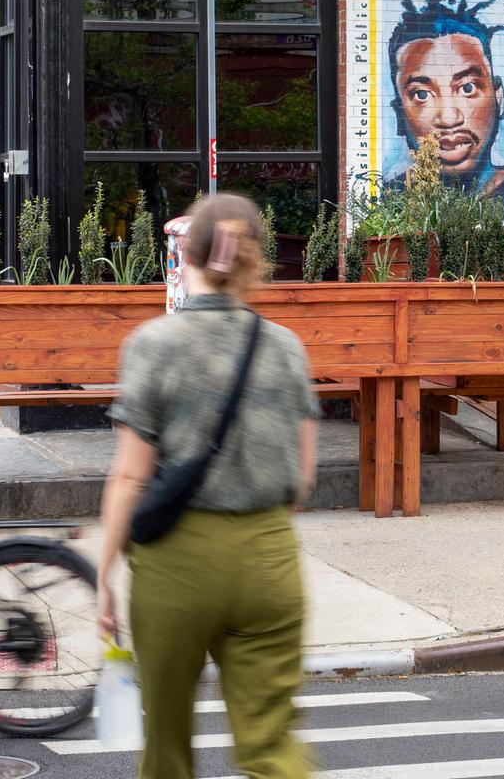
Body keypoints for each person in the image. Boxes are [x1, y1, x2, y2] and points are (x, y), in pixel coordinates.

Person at [99, 193, 319, 779]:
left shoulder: (153, 345)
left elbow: (129, 476)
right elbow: (302, 479)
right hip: (269, 556)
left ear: (183, 255)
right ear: (257, 259)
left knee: (167, 746)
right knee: (271, 746)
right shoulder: (285, 348)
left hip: (178, 563)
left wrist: (103, 575)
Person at [382, 0, 504, 218]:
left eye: (467, 88)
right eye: (422, 94)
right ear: (400, 115)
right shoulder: (386, 205)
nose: (448, 118)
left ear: (498, 99)